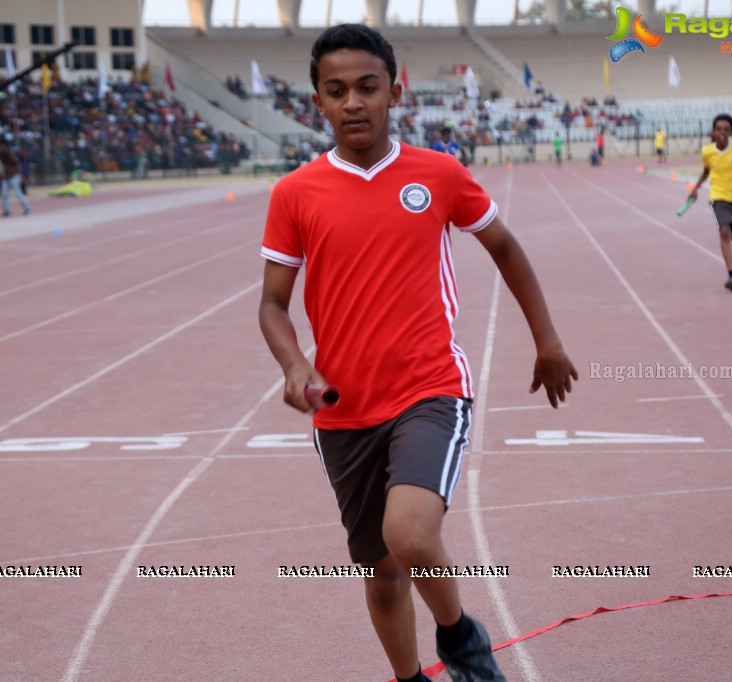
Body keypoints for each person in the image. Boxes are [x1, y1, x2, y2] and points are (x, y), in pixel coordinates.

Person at [258, 24, 577, 682]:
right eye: (336, 90)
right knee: (380, 575)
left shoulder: (435, 174)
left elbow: (505, 248)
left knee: (409, 535)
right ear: (316, 101)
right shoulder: (295, 193)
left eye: (367, 88)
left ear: (394, 92)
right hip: (342, 411)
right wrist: (295, 366)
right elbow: (271, 305)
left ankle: (460, 640)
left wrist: (545, 339)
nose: (353, 102)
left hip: (427, 389)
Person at [687, 114, 732, 292]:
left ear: (731, 132)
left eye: (726, 129)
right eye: (718, 129)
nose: (722, 133)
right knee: (724, 231)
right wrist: (696, 187)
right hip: (718, 197)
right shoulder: (707, 151)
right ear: (713, 131)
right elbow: (706, 171)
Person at [0, 143, 31, 217]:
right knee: (4, 194)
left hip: (13, 176)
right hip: (5, 177)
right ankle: (6, 210)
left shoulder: (10, 155)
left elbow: (17, 164)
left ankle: (27, 208)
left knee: (18, 193)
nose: (1, 148)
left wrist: (21, 175)